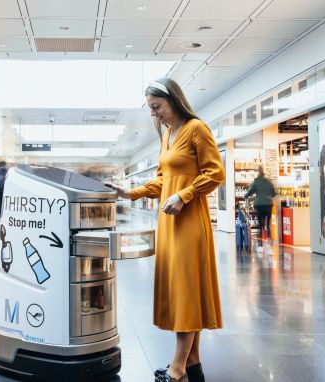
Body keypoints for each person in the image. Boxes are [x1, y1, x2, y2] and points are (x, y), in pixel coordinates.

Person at [106, 77, 224, 382]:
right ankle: (192, 363)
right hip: (170, 223)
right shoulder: (168, 135)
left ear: (172, 100)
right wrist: (129, 193)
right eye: (150, 108)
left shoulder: (196, 129)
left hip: (189, 222)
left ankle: (177, 368)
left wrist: (183, 195)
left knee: (185, 291)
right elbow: (163, 180)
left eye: (156, 106)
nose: (153, 113)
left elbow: (216, 173)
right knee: (183, 290)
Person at [244, 166, 276, 241]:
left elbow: (250, 192)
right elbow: (273, 193)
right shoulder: (268, 182)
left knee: (261, 224)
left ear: (258, 173)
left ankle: (261, 243)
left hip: (260, 205)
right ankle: (268, 239)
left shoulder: (256, 182)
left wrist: (245, 196)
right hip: (268, 204)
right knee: (268, 223)